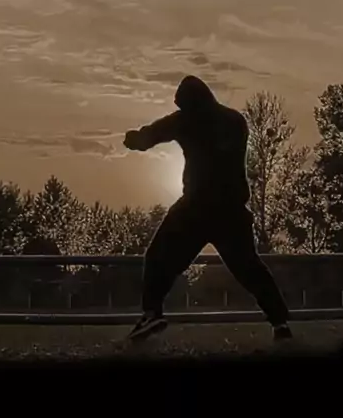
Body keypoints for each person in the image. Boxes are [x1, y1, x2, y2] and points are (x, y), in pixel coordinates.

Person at [123, 75, 292, 343]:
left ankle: (152, 312)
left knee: (158, 256)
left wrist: (133, 139)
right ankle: (280, 322)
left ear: (187, 102)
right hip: (232, 209)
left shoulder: (184, 120)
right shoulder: (235, 120)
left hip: (196, 208)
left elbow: (149, 137)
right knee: (249, 268)